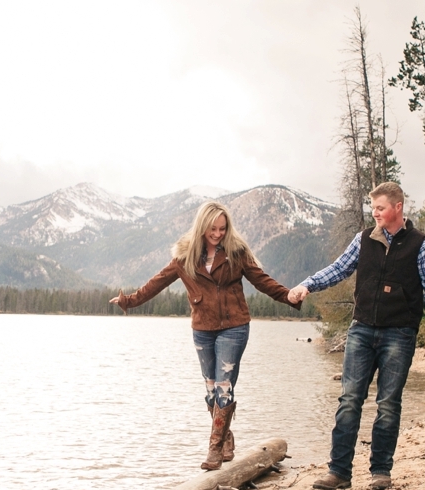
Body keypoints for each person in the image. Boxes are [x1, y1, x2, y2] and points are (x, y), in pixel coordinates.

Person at [112, 201, 299, 470]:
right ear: (202, 226)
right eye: (213, 228)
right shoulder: (184, 257)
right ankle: (225, 436)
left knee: (224, 386)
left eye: (223, 228)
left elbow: (262, 280)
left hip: (234, 327)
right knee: (211, 389)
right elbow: (156, 283)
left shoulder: (236, 252)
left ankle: (214, 450)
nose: (218, 233)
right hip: (203, 330)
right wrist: (128, 301)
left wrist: (288, 295)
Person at [287, 181, 425, 490]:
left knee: (388, 403)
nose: (375, 213)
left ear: (397, 208)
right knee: (349, 400)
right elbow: (339, 269)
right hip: (361, 330)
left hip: (399, 333)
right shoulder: (363, 240)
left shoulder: (421, 244)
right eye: (373, 208)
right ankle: (339, 472)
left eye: (380, 208)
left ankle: (380, 471)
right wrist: (308, 284)